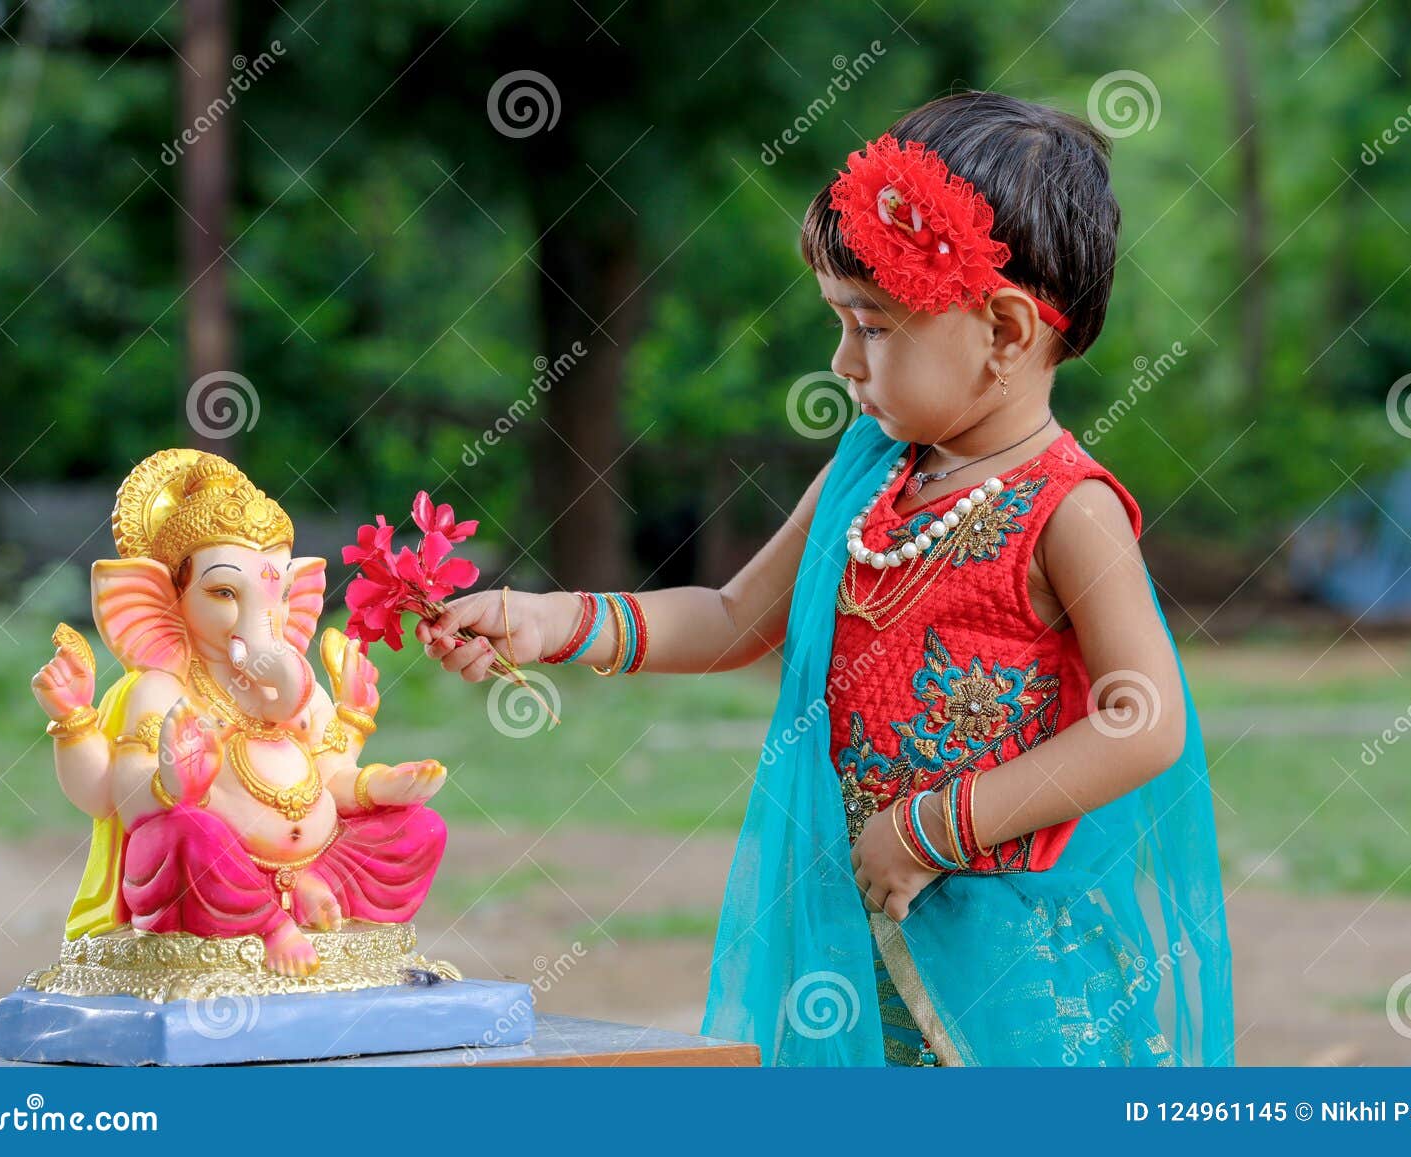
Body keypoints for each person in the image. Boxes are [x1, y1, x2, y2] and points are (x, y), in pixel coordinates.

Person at [413, 90, 1233, 1067]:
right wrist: (550, 619)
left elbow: (1144, 716)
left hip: (1013, 966)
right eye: (840, 323)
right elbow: (729, 616)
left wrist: (935, 826)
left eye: (873, 326)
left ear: (1007, 331)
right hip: (854, 924)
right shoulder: (871, 470)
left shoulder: (1069, 509)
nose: (843, 360)